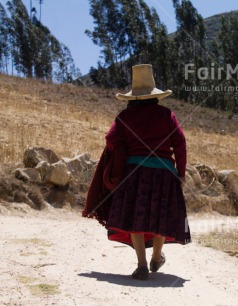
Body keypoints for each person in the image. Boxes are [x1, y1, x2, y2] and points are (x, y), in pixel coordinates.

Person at [83, 64, 191, 280]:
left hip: (133, 173)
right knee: (159, 215)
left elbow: (111, 138)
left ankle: (141, 264)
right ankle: (157, 258)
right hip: (164, 174)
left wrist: (123, 151)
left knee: (135, 217)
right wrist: (180, 171)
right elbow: (180, 144)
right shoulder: (167, 115)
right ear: (155, 94)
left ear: (132, 97)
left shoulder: (124, 117)